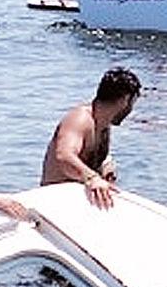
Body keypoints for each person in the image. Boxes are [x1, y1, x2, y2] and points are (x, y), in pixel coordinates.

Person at [40, 67, 142, 209]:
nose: (131, 110)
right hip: (54, 203)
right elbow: (63, 156)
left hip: (79, 203)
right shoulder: (80, 119)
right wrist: (92, 177)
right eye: (132, 103)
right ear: (125, 100)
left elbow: (86, 155)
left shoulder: (103, 123)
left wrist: (104, 167)